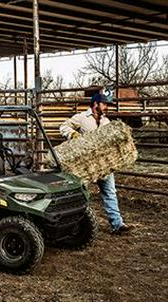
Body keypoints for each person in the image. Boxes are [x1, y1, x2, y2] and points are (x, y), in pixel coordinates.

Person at [59, 88, 131, 234]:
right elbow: (63, 126)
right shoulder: (81, 117)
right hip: (86, 165)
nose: (106, 107)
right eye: (104, 104)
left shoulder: (106, 121)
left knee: (110, 191)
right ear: (95, 103)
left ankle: (117, 224)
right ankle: (79, 224)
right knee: (82, 193)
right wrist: (72, 134)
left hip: (103, 164)